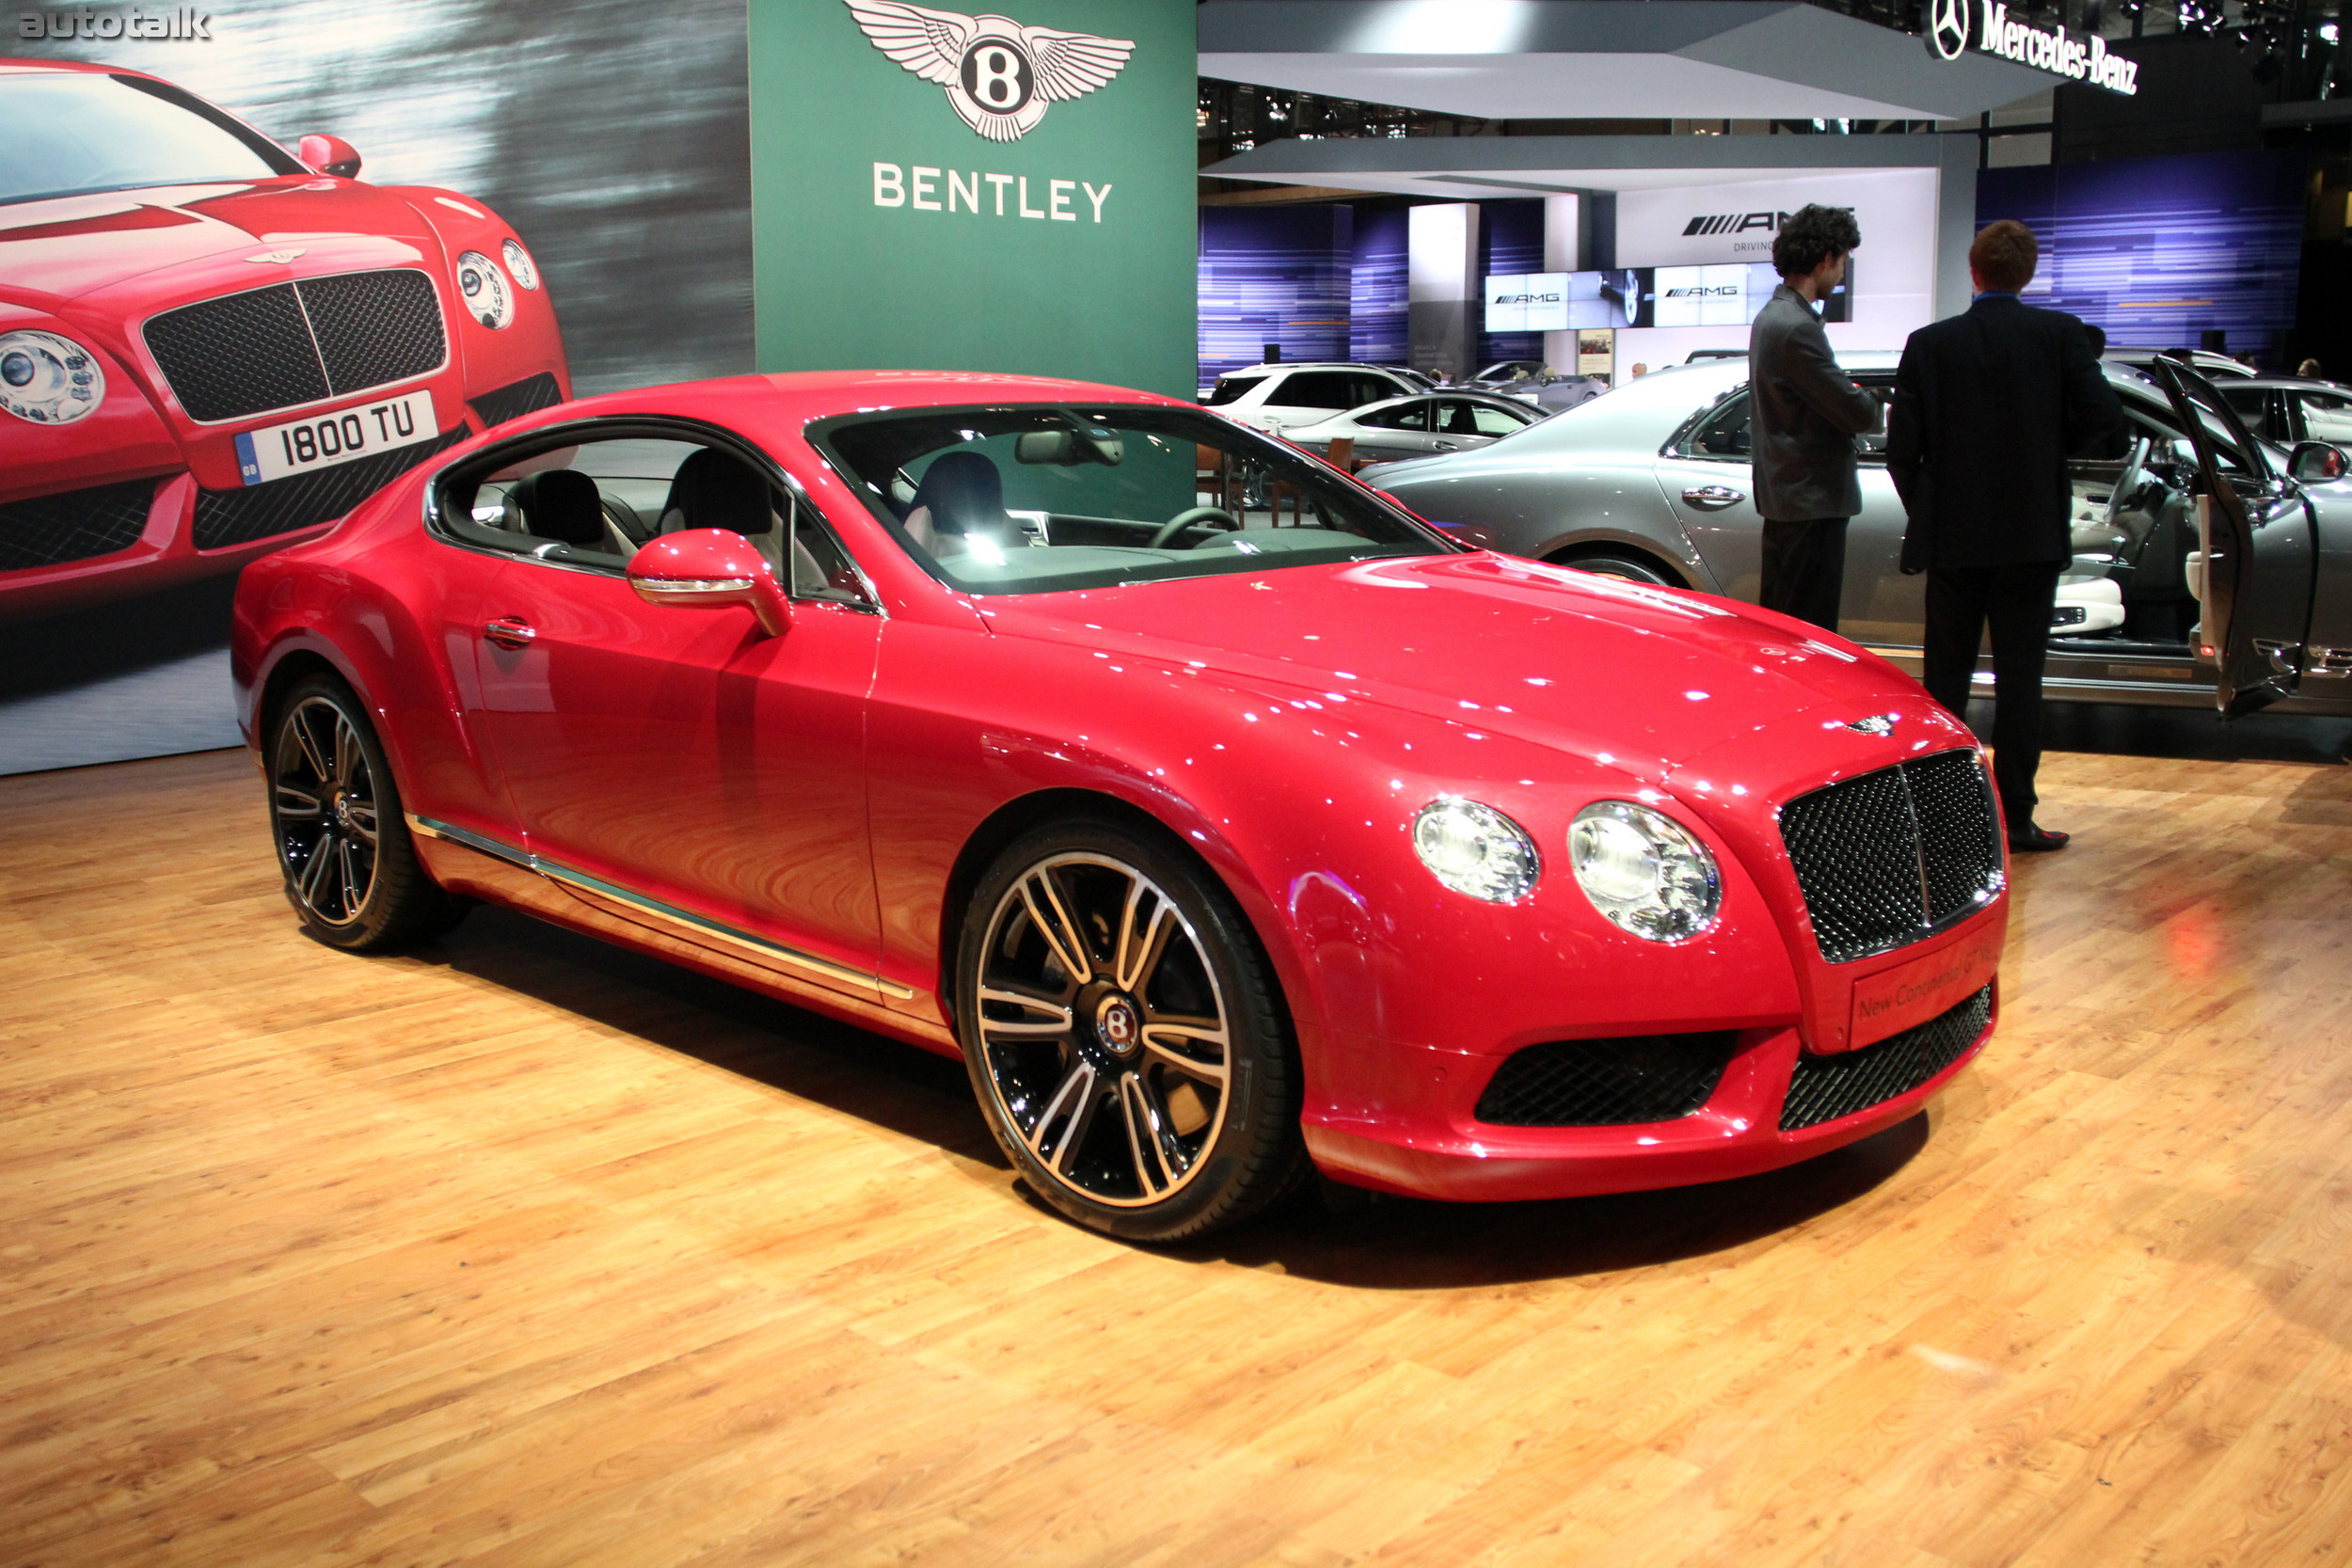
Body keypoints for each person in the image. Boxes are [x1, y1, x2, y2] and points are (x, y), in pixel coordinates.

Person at [1887, 219, 2122, 853]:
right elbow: (2106, 417)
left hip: (1955, 535)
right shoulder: (2058, 335)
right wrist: (2051, 453)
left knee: (1945, 678)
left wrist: (1929, 509)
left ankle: (1939, 817)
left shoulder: (1930, 344)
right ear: (2027, 273)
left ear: (1973, 270)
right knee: (2022, 677)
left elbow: (1901, 452)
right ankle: (2016, 814)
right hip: (2029, 533)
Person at [1748, 203, 1883, 632]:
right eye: (1841, 262)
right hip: (1810, 501)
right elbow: (1856, 412)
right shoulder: (1797, 327)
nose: (1842, 273)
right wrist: (1875, 398)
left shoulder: (1774, 318)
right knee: (1808, 631)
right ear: (1825, 259)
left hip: (1792, 498)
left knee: (1787, 623)